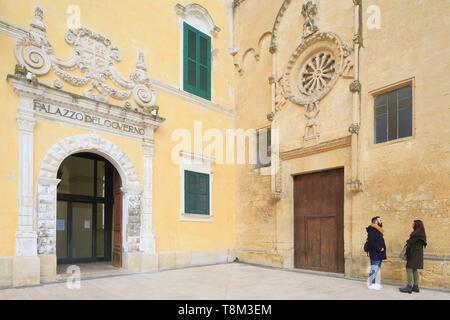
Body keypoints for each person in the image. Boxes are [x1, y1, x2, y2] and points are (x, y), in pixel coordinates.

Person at [399, 220, 427, 294]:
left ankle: (409, 286)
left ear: (417, 225)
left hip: (413, 254)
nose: (412, 225)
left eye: (413, 224)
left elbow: (410, 243)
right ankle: (416, 286)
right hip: (418, 255)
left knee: (409, 268)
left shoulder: (416, 234)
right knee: (414, 269)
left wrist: (407, 242)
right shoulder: (422, 233)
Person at [366, 216, 387, 290]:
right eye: (380, 220)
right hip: (375, 253)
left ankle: (373, 283)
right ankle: (371, 284)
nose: (381, 221)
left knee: (377, 268)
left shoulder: (378, 230)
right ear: (375, 221)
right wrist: (379, 248)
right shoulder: (372, 230)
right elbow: (371, 242)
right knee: (374, 268)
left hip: (379, 253)